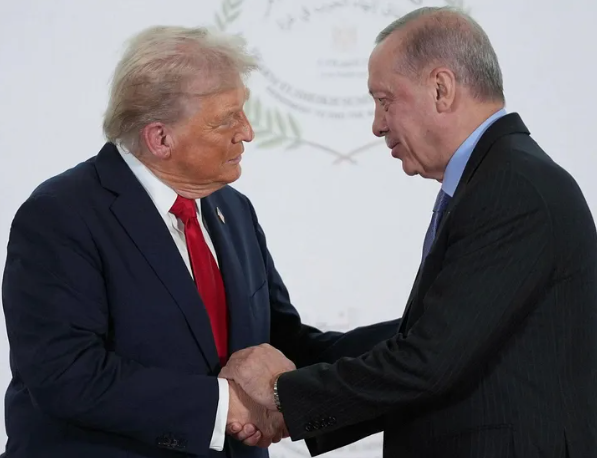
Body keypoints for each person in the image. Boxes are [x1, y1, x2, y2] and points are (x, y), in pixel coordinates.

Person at [0, 26, 398, 458]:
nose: (247, 132)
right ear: (160, 138)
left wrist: (419, 335)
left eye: (243, 111)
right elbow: (66, 375)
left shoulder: (233, 209)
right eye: (227, 118)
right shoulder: (61, 215)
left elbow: (283, 346)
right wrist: (223, 405)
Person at [220, 7, 597, 458]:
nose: (377, 124)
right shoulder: (500, 179)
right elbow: (435, 343)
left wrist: (281, 394)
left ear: (441, 89)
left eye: (384, 100)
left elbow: (429, 361)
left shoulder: (512, 189)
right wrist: (299, 376)